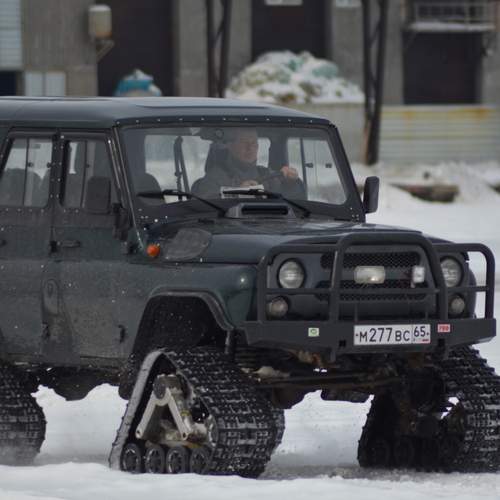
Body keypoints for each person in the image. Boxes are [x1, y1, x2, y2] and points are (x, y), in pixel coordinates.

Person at [191, 128, 305, 198]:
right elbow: (205, 205)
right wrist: (237, 193)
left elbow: (295, 205)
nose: (250, 148)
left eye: (254, 143)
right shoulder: (215, 177)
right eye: (244, 142)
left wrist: (291, 183)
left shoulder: (269, 176)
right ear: (230, 146)